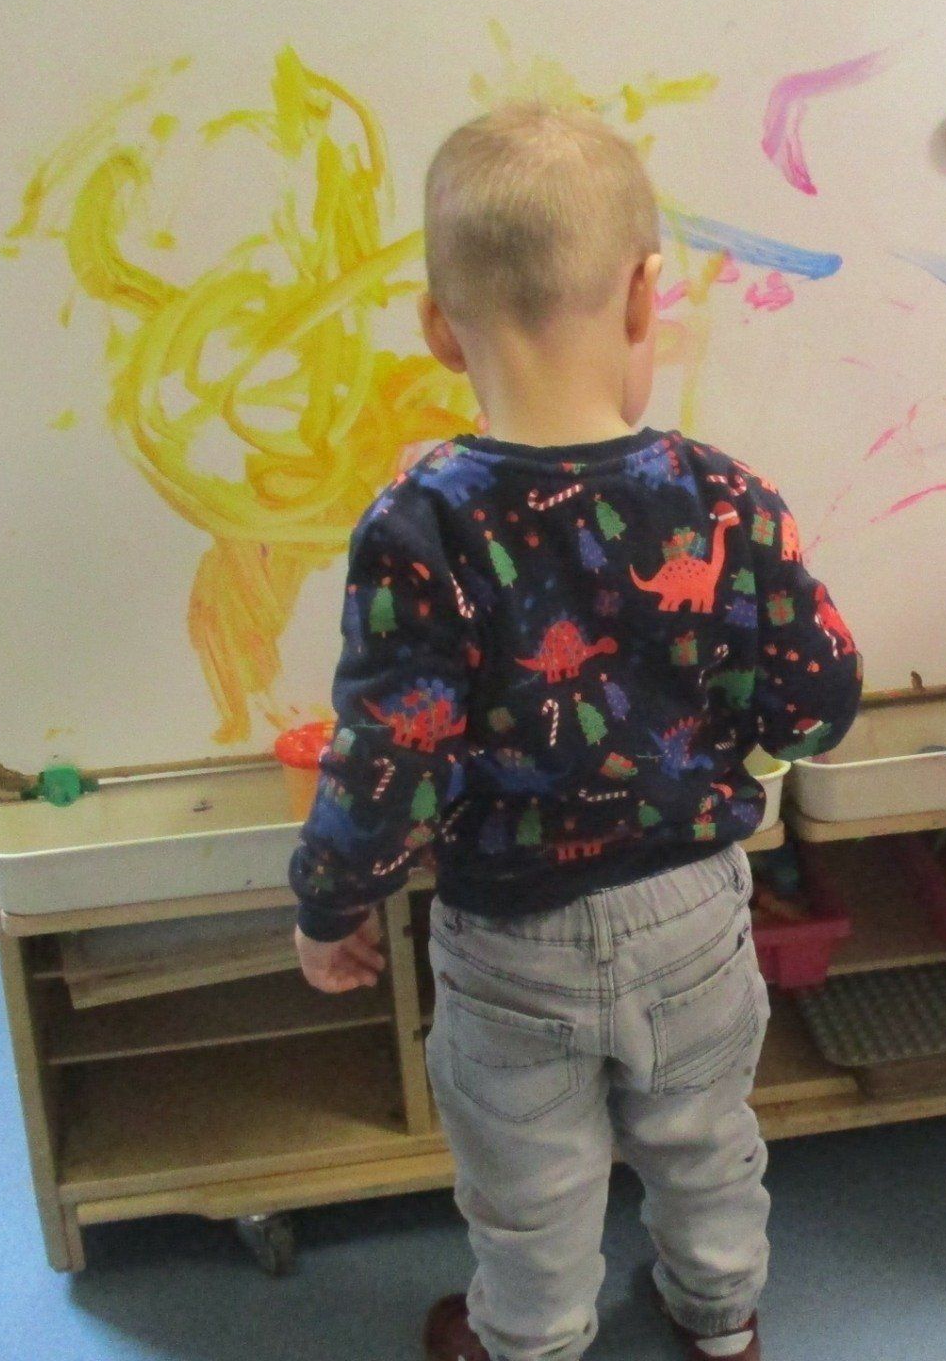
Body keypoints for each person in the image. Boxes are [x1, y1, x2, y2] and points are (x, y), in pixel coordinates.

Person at [288, 101, 863, 1361]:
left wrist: (331, 907)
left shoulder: (418, 521)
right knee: (707, 1141)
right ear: (647, 295)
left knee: (531, 1186)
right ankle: (719, 1319)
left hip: (510, 938)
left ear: (439, 327)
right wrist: (758, 754)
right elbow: (820, 693)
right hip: (696, 913)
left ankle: (533, 1340)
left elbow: (389, 759)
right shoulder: (724, 496)